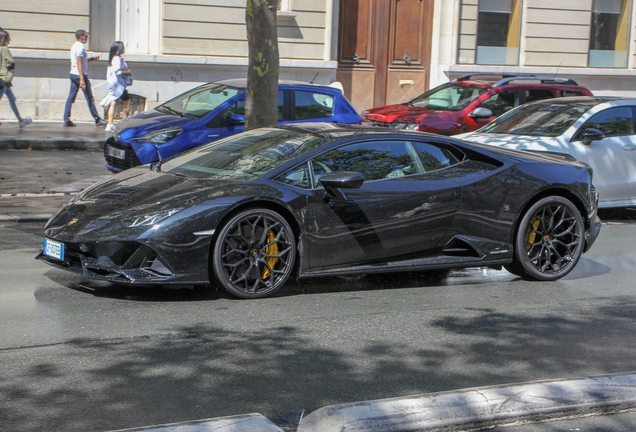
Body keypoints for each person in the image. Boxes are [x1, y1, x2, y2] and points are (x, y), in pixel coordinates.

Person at [63, 29, 106, 127]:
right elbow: (79, 63)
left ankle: (66, 119)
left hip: (73, 74)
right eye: (86, 36)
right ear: (81, 37)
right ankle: (97, 119)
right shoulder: (81, 48)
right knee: (89, 98)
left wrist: (91, 59)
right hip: (80, 75)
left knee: (71, 97)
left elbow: (80, 61)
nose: (87, 37)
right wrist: (82, 79)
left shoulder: (74, 46)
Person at [0, 30, 32, 127]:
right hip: (4, 78)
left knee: (12, 98)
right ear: (5, 38)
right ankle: (21, 121)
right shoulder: (4, 48)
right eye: (8, 37)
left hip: (3, 79)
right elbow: (11, 62)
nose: (9, 39)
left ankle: (21, 120)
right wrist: (10, 68)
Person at [103, 41, 131, 133]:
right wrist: (126, 72)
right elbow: (118, 72)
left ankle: (109, 124)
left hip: (112, 84)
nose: (124, 48)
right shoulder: (117, 59)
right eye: (122, 47)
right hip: (119, 84)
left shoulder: (112, 58)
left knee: (113, 102)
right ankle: (124, 123)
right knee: (127, 102)